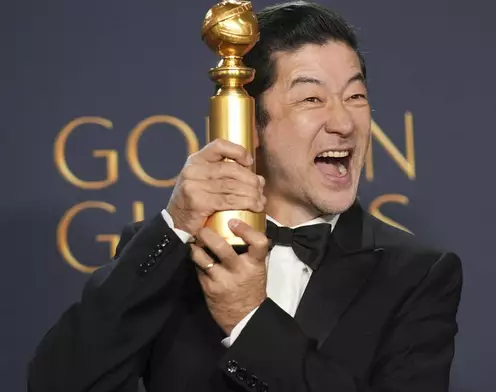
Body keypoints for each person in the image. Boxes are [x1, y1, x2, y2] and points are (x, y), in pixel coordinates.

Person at [27, 2, 463, 391]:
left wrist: (249, 320)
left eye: (356, 96)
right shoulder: (168, 253)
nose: (344, 122)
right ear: (250, 125)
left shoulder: (417, 274)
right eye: (312, 97)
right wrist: (176, 225)